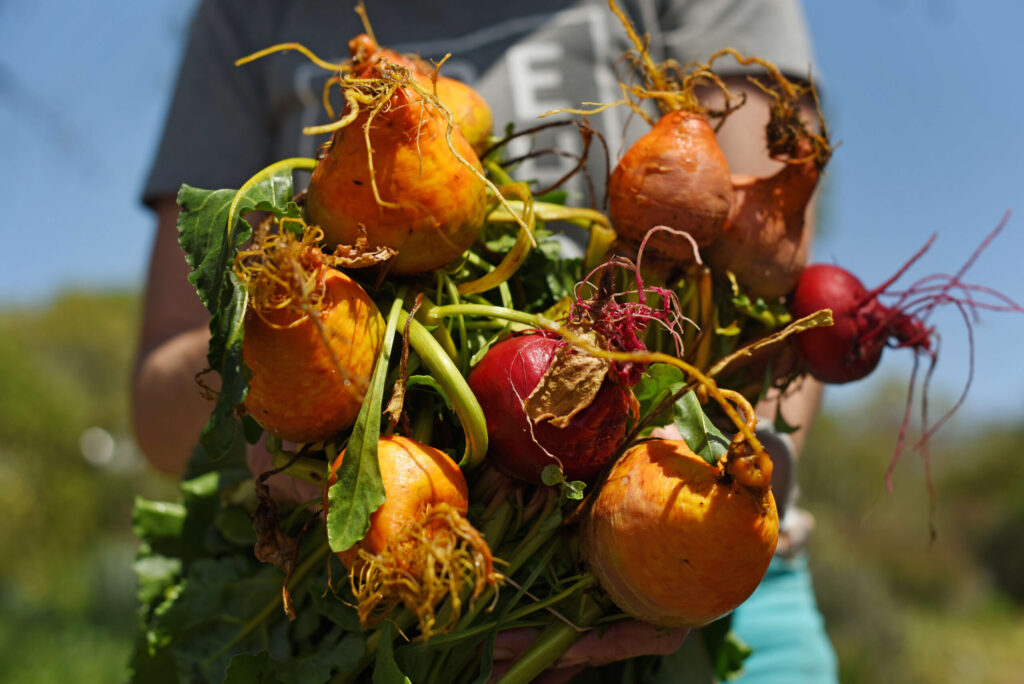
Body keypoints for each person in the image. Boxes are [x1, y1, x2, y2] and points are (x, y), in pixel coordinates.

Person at [132, 0, 837, 680]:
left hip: (728, 599)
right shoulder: (248, 12)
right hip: (340, 604)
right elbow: (160, 395)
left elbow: (775, 298)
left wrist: (676, 568)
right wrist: (287, 373)